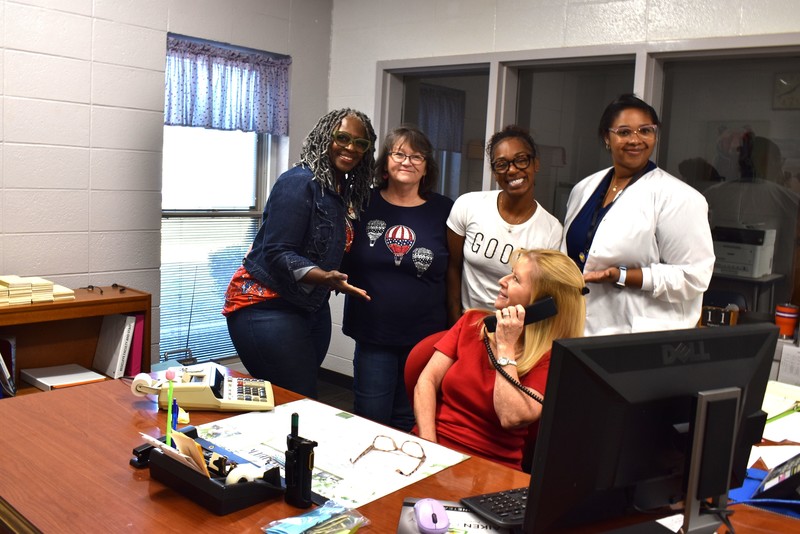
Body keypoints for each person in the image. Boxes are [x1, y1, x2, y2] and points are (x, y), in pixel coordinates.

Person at [222, 109, 376, 398]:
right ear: (325, 137)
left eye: (360, 143)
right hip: (265, 305)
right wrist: (325, 277)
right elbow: (276, 251)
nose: (351, 148)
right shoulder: (299, 181)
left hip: (310, 306)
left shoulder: (343, 191)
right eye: (342, 138)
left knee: (294, 396)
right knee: (297, 397)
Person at [414, 249, 586, 471]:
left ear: (542, 303)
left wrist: (505, 346)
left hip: (491, 468)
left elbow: (510, 417)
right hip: (431, 447)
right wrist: (429, 446)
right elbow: (426, 381)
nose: (502, 281)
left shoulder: (551, 359)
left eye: (516, 279)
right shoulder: (472, 322)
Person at [562, 94, 715, 335]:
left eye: (645, 131)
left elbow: (693, 277)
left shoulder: (679, 197)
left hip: (638, 335)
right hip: (580, 327)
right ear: (607, 137)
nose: (635, 140)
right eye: (624, 132)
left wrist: (623, 276)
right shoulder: (584, 189)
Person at [341, 126, 453, 431]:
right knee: (370, 418)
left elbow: (455, 269)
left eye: (417, 156)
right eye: (399, 154)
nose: (407, 161)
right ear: (385, 162)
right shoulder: (361, 203)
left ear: (427, 167)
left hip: (426, 337)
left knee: (410, 420)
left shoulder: (445, 210)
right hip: (374, 332)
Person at [446, 125, 562, 326]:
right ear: (494, 172)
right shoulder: (468, 205)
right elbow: (452, 268)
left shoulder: (552, 230)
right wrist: (455, 321)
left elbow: (545, 295)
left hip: (516, 329)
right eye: (501, 164)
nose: (513, 170)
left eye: (521, 160)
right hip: (467, 324)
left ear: (535, 164)